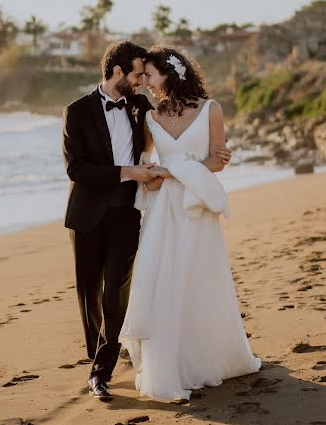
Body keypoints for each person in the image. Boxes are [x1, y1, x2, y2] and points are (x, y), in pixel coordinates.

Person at [62, 41, 232, 401]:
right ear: (118, 73)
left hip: (128, 211)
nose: (142, 82)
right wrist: (132, 171)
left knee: (117, 291)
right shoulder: (77, 112)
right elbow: (76, 169)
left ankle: (101, 371)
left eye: (146, 75)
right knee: (88, 292)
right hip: (88, 214)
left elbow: (168, 142)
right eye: (138, 74)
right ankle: (99, 350)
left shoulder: (142, 108)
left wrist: (206, 160)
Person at [119, 46, 261, 401]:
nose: (146, 83)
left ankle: (209, 357)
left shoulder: (211, 109)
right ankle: (169, 364)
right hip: (164, 207)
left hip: (196, 205)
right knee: (164, 279)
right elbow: (146, 163)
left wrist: (175, 169)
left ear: (171, 74)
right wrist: (152, 175)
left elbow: (217, 160)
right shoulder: (151, 118)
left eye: (150, 75)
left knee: (200, 278)